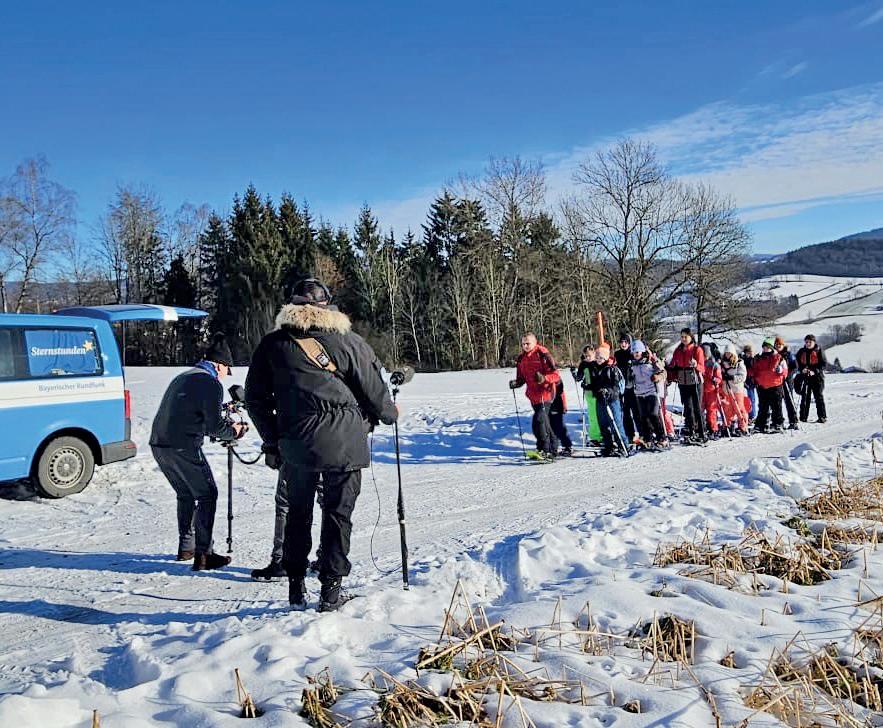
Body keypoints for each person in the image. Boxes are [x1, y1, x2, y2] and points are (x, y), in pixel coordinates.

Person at [245, 278, 398, 610]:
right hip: (344, 441)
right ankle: (330, 592)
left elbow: (255, 400)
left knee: (297, 513)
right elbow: (376, 394)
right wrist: (389, 413)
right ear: (327, 306)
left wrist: (273, 440)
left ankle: (295, 586)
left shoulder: (272, 344)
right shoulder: (349, 341)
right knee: (337, 515)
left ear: (291, 307)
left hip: (296, 443)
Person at [150, 334, 245, 571]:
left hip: (159, 444)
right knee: (207, 494)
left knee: (185, 493)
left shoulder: (184, 377)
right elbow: (215, 427)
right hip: (184, 446)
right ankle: (204, 555)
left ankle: (187, 547)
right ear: (220, 365)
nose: (225, 376)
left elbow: (189, 410)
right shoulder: (210, 383)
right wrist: (234, 431)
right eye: (227, 371)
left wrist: (220, 412)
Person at [510, 333, 562, 460]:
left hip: (546, 393)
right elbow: (521, 378)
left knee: (540, 421)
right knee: (539, 423)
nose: (525, 346)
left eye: (528, 343)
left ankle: (546, 450)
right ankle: (548, 448)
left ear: (535, 342)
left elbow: (556, 375)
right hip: (533, 396)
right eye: (523, 344)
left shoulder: (542, 354)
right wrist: (516, 383)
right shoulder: (521, 358)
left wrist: (544, 378)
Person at [667, 328, 706, 443]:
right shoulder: (678, 350)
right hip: (683, 382)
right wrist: (670, 371)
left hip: (695, 381)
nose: (683, 339)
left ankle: (701, 432)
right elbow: (674, 365)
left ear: (691, 337)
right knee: (688, 408)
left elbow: (702, 368)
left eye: (686, 337)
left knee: (697, 408)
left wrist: (696, 365)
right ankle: (691, 431)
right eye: (682, 337)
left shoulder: (697, 349)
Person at [589, 344, 628, 456]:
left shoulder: (612, 369)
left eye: (601, 358)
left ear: (606, 358)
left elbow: (615, 386)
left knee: (615, 423)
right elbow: (595, 384)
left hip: (612, 400)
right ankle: (608, 445)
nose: (598, 360)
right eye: (597, 357)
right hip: (600, 400)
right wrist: (588, 386)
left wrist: (608, 391)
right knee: (603, 424)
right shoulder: (595, 368)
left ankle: (623, 445)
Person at [629, 340, 668, 449]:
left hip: (651, 392)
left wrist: (657, 377)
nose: (636, 354)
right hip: (639, 393)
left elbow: (663, 372)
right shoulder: (632, 364)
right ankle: (648, 439)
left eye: (638, 352)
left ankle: (662, 438)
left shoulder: (650, 361)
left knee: (653, 415)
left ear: (642, 351)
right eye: (634, 352)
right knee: (644, 417)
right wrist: (630, 379)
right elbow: (630, 378)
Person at [751, 338, 787, 433]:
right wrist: (754, 378)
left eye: (767, 347)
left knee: (776, 406)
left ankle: (777, 424)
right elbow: (754, 370)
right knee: (763, 406)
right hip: (762, 386)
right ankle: (761, 425)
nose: (765, 349)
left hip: (775, 385)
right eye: (764, 347)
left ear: (771, 348)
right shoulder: (758, 358)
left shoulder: (778, 357)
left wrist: (781, 370)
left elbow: (785, 370)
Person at [571, 345, 602, 445]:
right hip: (589, 394)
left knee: (601, 416)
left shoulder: (598, 362)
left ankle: (604, 435)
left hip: (599, 393)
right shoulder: (583, 364)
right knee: (593, 416)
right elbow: (579, 378)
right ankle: (595, 437)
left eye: (589, 355)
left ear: (594, 354)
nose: (587, 357)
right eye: (585, 356)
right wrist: (574, 373)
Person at [796, 333, 828, 423]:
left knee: (818, 397)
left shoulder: (819, 350)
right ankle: (803, 417)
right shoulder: (801, 351)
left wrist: (815, 371)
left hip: (817, 377)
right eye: (806, 342)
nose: (808, 344)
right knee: (805, 397)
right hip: (806, 377)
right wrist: (802, 369)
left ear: (814, 342)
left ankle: (822, 417)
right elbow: (798, 363)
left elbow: (824, 364)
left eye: (810, 342)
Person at [614, 333, 640, 443]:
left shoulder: (633, 353)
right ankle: (630, 434)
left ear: (629, 343)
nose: (623, 344)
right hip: (622, 387)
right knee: (625, 412)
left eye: (626, 342)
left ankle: (643, 433)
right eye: (622, 342)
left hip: (633, 386)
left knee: (636, 411)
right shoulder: (617, 354)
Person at [720, 345, 749, 436]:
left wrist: (732, 377)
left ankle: (743, 426)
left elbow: (743, 376)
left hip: (736, 390)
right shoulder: (722, 363)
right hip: (726, 389)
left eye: (729, 353)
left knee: (739, 408)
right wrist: (722, 377)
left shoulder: (739, 363)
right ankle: (728, 426)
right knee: (727, 409)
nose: (728, 355)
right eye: (726, 353)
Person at [773, 336, 800, 430]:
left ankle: (794, 421)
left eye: (780, 344)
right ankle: (779, 421)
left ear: (783, 345)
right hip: (777, 382)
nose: (778, 346)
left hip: (787, 380)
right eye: (776, 344)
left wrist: (788, 374)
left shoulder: (788, 354)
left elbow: (795, 367)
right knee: (777, 402)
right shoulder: (773, 354)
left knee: (789, 401)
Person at [701, 343, 723, 438]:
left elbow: (719, 378)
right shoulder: (700, 364)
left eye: (705, 355)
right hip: (701, 390)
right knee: (700, 409)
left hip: (711, 390)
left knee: (711, 410)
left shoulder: (714, 365)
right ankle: (701, 427)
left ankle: (713, 429)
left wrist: (715, 379)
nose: (704, 357)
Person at [548, 380, 574, 457]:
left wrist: (564, 406)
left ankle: (567, 446)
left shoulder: (555, 378)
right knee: (549, 428)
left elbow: (561, 393)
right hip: (547, 405)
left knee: (559, 427)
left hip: (556, 406)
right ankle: (552, 447)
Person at [741, 344, 757, 423]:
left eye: (750, 352)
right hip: (744, 381)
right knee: (745, 399)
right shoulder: (742, 360)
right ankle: (746, 414)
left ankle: (752, 415)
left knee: (751, 399)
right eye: (748, 352)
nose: (749, 354)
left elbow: (754, 370)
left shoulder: (754, 360)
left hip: (751, 382)